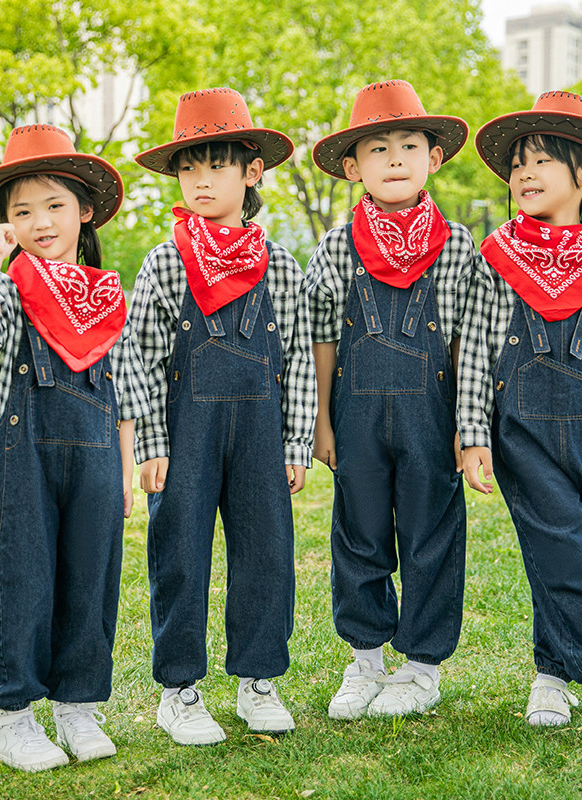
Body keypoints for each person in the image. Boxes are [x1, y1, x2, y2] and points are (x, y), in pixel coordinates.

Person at [0, 124, 148, 769]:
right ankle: (12, 716)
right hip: (20, 454)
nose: (40, 222)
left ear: (84, 212)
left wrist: (122, 471)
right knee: (21, 578)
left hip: (95, 451)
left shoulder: (106, 295)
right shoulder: (8, 289)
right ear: (7, 223)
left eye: (54, 206)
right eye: (21, 211)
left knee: (90, 579)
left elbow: (120, 389)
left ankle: (79, 707)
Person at [126, 87, 315, 745]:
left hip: (262, 432)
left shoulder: (282, 268)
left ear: (251, 171)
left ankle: (258, 680)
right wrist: (150, 441)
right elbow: (140, 360)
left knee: (267, 554)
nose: (200, 181)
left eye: (216, 166)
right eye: (188, 168)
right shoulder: (163, 262)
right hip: (183, 436)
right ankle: (179, 690)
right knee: (179, 555)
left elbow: (295, 361)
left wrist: (296, 439)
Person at [306, 80, 473, 719]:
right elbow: (322, 336)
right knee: (359, 531)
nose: (395, 158)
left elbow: (467, 342)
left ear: (434, 158)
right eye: (379, 148)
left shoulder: (457, 245)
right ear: (355, 169)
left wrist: (467, 421)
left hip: (432, 414)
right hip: (354, 411)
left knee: (432, 531)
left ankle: (423, 666)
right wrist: (320, 418)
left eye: (409, 144)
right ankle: (366, 661)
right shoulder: (335, 245)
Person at [461, 90, 582, 726]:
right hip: (525, 429)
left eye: (540, 161)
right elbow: (477, 351)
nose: (523, 175)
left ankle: (555, 667)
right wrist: (473, 431)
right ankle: (553, 677)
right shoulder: (498, 260)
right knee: (558, 548)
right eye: (516, 167)